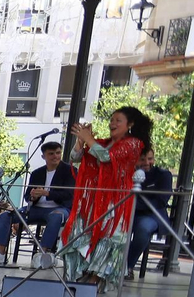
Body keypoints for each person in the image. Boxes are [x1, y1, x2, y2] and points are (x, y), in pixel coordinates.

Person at [58, 107, 152, 287]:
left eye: (118, 120)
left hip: (116, 202)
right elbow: (75, 157)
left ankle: (95, 281)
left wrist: (89, 139)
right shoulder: (103, 143)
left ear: (130, 124)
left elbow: (107, 158)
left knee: (109, 238)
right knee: (79, 234)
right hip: (94, 201)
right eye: (111, 120)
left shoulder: (134, 143)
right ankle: (80, 276)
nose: (112, 123)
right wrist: (80, 141)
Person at [0, 141, 75, 266]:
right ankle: (0, 253)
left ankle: (43, 254)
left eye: (58, 153)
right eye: (51, 154)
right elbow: (27, 196)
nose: (55, 156)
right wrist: (33, 197)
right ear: (43, 156)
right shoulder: (37, 173)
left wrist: (47, 193)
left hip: (59, 208)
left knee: (56, 216)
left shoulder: (70, 171)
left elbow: (69, 195)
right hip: (35, 209)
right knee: (5, 215)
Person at [127, 148, 174, 280]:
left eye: (150, 159)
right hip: (128, 212)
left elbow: (161, 200)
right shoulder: (128, 172)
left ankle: (127, 267)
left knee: (143, 229)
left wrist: (136, 204)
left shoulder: (163, 175)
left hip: (151, 214)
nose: (147, 163)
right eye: (142, 159)